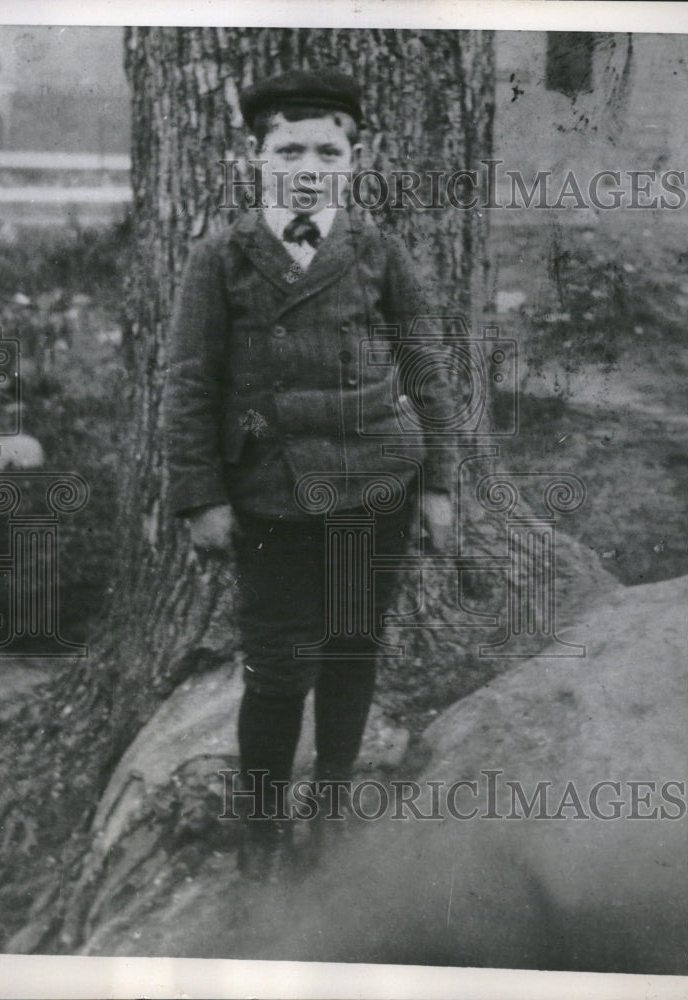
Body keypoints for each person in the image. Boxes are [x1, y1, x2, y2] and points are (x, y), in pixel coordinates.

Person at [165, 68, 455, 880]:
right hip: (271, 496)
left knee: (353, 647)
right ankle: (260, 834)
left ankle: (330, 810)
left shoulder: (376, 251)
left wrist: (437, 484)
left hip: (375, 488)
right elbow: (188, 383)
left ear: (352, 161)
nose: (308, 165)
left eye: (328, 150)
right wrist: (200, 497)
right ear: (254, 156)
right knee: (277, 666)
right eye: (288, 147)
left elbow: (426, 368)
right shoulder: (219, 258)